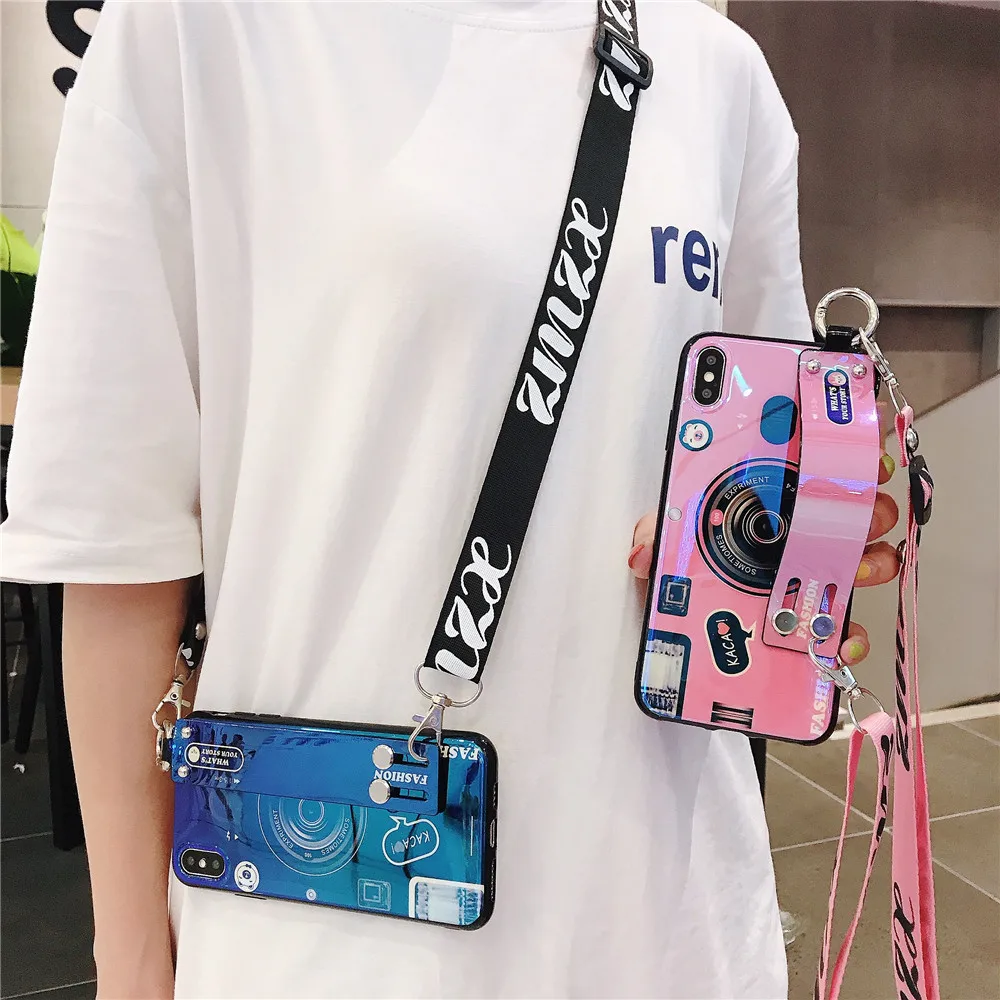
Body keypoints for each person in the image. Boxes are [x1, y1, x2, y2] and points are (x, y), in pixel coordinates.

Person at [1, 2, 901, 997]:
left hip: (668, 912)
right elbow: (116, 548)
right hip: (321, 919)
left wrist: (780, 535)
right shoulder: (196, 26)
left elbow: (753, 438)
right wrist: (130, 958)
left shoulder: (717, 72)